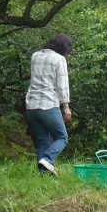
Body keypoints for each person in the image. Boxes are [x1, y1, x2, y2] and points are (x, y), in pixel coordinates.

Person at [25, 34, 73, 175]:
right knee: (62, 137)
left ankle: (43, 175)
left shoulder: (35, 56)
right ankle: (48, 159)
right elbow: (62, 85)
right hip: (48, 104)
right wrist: (66, 107)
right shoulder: (59, 59)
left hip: (31, 105)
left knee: (42, 142)